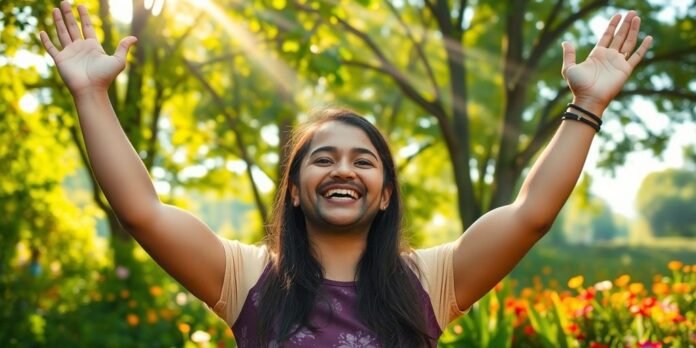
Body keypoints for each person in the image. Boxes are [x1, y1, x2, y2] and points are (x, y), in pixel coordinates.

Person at [40, 1, 652, 347]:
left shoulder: (432, 281)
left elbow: (531, 214)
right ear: (296, 190)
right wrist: (92, 95)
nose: (344, 170)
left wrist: (588, 107)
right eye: (323, 158)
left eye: (364, 161)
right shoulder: (245, 277)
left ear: (385, 195)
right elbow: (141, 211)